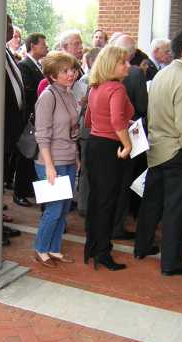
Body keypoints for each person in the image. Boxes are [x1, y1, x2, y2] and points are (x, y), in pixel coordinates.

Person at [134, 30, 182, 275]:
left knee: (152, 202)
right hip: (177, 152)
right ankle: (171, 262)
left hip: (157, 149)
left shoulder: (162, 74)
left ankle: (142, 246)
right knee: (177, 209)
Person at [83, 45, 133, 271]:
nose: (128, 66)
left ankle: (93, 246)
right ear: (111, 64)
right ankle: (102, 252)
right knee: (107, 202)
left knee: (96, 200)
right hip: (108, 149)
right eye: (123, 62)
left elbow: (88, 120)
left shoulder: (95, 87)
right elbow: (116, 121)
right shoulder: (116, 88)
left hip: (93, 146)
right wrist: (127, 143)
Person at [33, 51, 79, 268]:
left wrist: (76, 156)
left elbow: (72, 129)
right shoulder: (48, 97)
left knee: (64, 207)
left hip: (68, 158)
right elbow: (42, 134)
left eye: (72, 69)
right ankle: (41, 249)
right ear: (53, 75)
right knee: (54, 208)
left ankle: (54, 248)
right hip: (50, 161)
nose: (72, 74)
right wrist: (49, 167)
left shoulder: (68, 94)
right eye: (65, 71)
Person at [109, 34, 148, 240]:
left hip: (106, 139)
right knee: (123, 183)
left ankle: (108, 225)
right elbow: (142, 107)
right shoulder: (135, 73)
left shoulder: (102, 73)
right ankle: (117, 226)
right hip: (127, 136)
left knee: (110, 185)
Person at [11, 33, 48, 207]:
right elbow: (29, 93)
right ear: (33, 45)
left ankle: (29, 189)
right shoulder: (25, 66)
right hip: (30, 121)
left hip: (39, 119)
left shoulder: (38, 66)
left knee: (33, 158)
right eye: (42, 44)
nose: (46, 46)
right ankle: (19, 192)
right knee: (25, 157)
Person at [3, 15, 24, 245]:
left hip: (11, 129)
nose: (11, 29)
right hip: (0, 128)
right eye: (7, 24)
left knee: (1, 176)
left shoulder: (7, 51)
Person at [77, 48, 101, 217]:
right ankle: (83, 205)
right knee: (86, 169)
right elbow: (79, 106)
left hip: (92, 130)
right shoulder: (86, 80)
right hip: (87, 130)